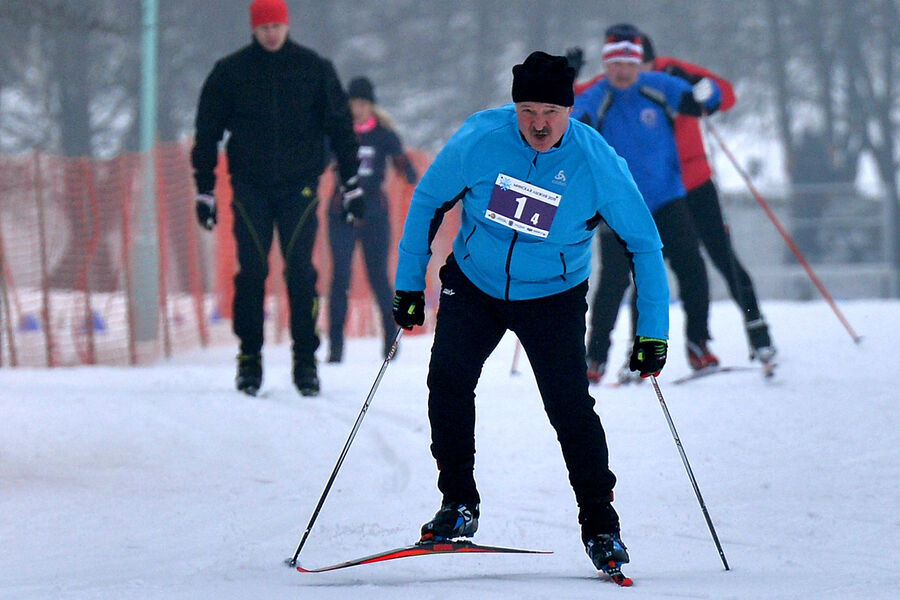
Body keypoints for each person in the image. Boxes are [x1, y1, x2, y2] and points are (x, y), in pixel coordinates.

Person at [391, 51, 670, 576]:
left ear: (569, 110)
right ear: (513, 108)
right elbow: (428, 201)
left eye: (550, 111)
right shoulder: (480, 138)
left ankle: (601, 525)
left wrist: (652, 332)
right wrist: (409, 284)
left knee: (569, 407)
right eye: (526, 111)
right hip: (475, 281)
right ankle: (458, 504)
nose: (538, 124)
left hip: (552, 295)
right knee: (447, 382)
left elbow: (645, 244)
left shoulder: (595, 161)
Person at [190, 0, 363, 397]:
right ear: (254, 28)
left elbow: (340, 128)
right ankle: (249, 357)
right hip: (249, 186)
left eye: (276, 26)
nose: (271, 33)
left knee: (300, 272)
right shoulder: (231, 72)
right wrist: (205, 189)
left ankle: (306, 360)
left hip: (299, 186)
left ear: (287, 26)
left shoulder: (313, 69)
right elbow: (208, 131)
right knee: (251, 272)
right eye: (264, 27)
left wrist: (350, 184)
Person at [572, 25, 722, 383]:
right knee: (614, 282)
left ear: (639, 64)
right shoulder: (600, 94)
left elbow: (706, 101)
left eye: (628, 63)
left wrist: (700, 85)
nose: (621, 72)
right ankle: (595, 358)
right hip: (619, 204)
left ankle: (697, 345)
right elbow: (577, 118)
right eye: (615, 64)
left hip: (667, 198)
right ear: (606, 66)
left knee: (691, 269)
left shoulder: (656, 87)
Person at [327, 77, 418, 363]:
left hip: (374, 212)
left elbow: (403, 164)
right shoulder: (337, 132)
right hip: (341, 210)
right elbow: (318, 159)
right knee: (340, 275)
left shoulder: (383, 134)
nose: (358, 109)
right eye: (353, 103)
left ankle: (390, 343)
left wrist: (407, 169)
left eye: (363, 104)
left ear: (372, 106)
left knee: (378, 276)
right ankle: (335, 347)